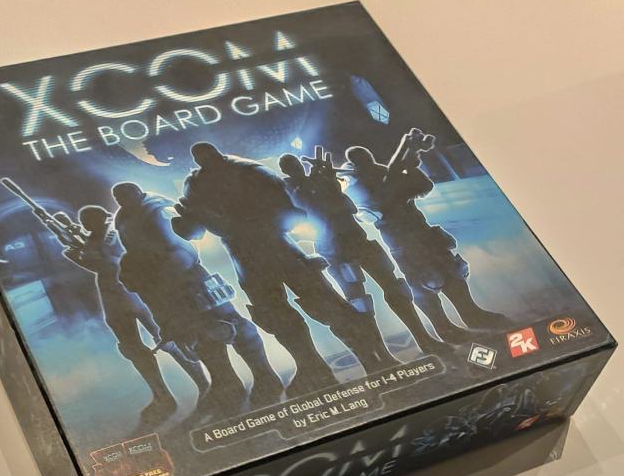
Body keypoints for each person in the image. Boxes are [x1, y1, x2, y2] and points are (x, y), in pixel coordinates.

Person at [173, 142, 398, 397]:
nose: (205, 161)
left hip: (276, 247)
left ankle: (373, 360)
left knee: (324, 303)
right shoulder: (197, 184)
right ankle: (315, 369)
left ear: (216, 154)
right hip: (245, 256)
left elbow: (288, 212)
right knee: (276, 317)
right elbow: (192, 228)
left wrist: (245, 224)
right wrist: (191, 222)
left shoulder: (248, 171)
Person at [111, 182, 284, 416]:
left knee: (232, 324)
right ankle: (227, 384)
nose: (121, 199)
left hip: (188, 276)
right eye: (118, 197)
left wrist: (169, 275)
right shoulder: (123, 218)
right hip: (163, 285)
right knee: (196, 336)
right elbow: (135, 252)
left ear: (137, 192)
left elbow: (182, 246)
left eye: (125, 194)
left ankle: (265, 376)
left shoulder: (157, 208)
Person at [343, 129, 509, 343]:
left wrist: (410, 163)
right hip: (402, 239)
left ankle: (471, 314)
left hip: (421, 230)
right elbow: (380, 203)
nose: (369, 164)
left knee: (452, 273)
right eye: (363, 161)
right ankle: (443, 328)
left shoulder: (384, 172)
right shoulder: (355, 188)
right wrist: (400, 162)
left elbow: (422, 187)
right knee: (425, 282)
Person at [279, 148, 448, 357]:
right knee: (359, 303)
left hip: (357, 240)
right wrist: (317, 181)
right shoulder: (291, 190)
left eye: (296, 165)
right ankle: (383, 355)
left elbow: (340, 201)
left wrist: (326, 178)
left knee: (395, 287)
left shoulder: (317, 181)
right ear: (287, 171)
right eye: (291, 167)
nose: (297, 169)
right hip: (335, 250)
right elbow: (309, 207)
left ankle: (424, 339)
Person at [59, 205, 210, 424]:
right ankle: (162, 396)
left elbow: (113, 263)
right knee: (132, 348)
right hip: (113, 297)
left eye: (90, 220)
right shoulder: (92, 240)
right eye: (85, 222)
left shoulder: (114, 235)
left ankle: (204, 384)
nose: (86, 225)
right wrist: (76, 254)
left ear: (101, 219)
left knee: (169, 338)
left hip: (135, 292)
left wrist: (86, 254)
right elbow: (96, 265)